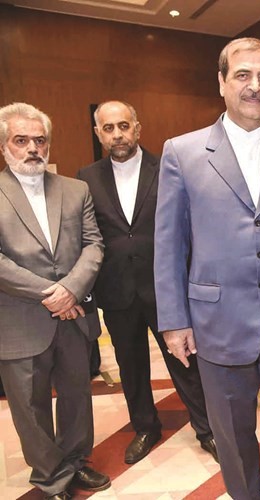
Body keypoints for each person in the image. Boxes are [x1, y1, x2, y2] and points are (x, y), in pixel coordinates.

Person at [153, 37, 260, 499]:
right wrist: (173, 320)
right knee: (231, 432)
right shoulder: (182, 152)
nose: (255, 86)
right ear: (221, 82)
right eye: (243, 75)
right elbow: (169, 244)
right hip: (218, 320)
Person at [77, 101, 216, 464]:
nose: (117, 134)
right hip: (117, 290)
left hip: (165, 288)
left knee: (185, 361)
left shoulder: (168, 166)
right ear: (98, 133)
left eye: (124, 126)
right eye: (109, 128)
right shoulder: (86, 178)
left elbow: (188, 226)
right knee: (131, 365)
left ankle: (208, 429)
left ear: (137, 128)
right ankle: (145, 427)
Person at [0, 102, 109, 499]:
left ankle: (76, 462)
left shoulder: (75, 189)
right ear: (4, 146)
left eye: (40, 140)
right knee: (29, 406)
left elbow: (94, 244)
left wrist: (72, 289)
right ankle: (50, 476)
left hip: (74, 315)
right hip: (20, 318)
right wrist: (52, 294)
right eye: (21, 140)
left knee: (77, 395)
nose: (33, 148)